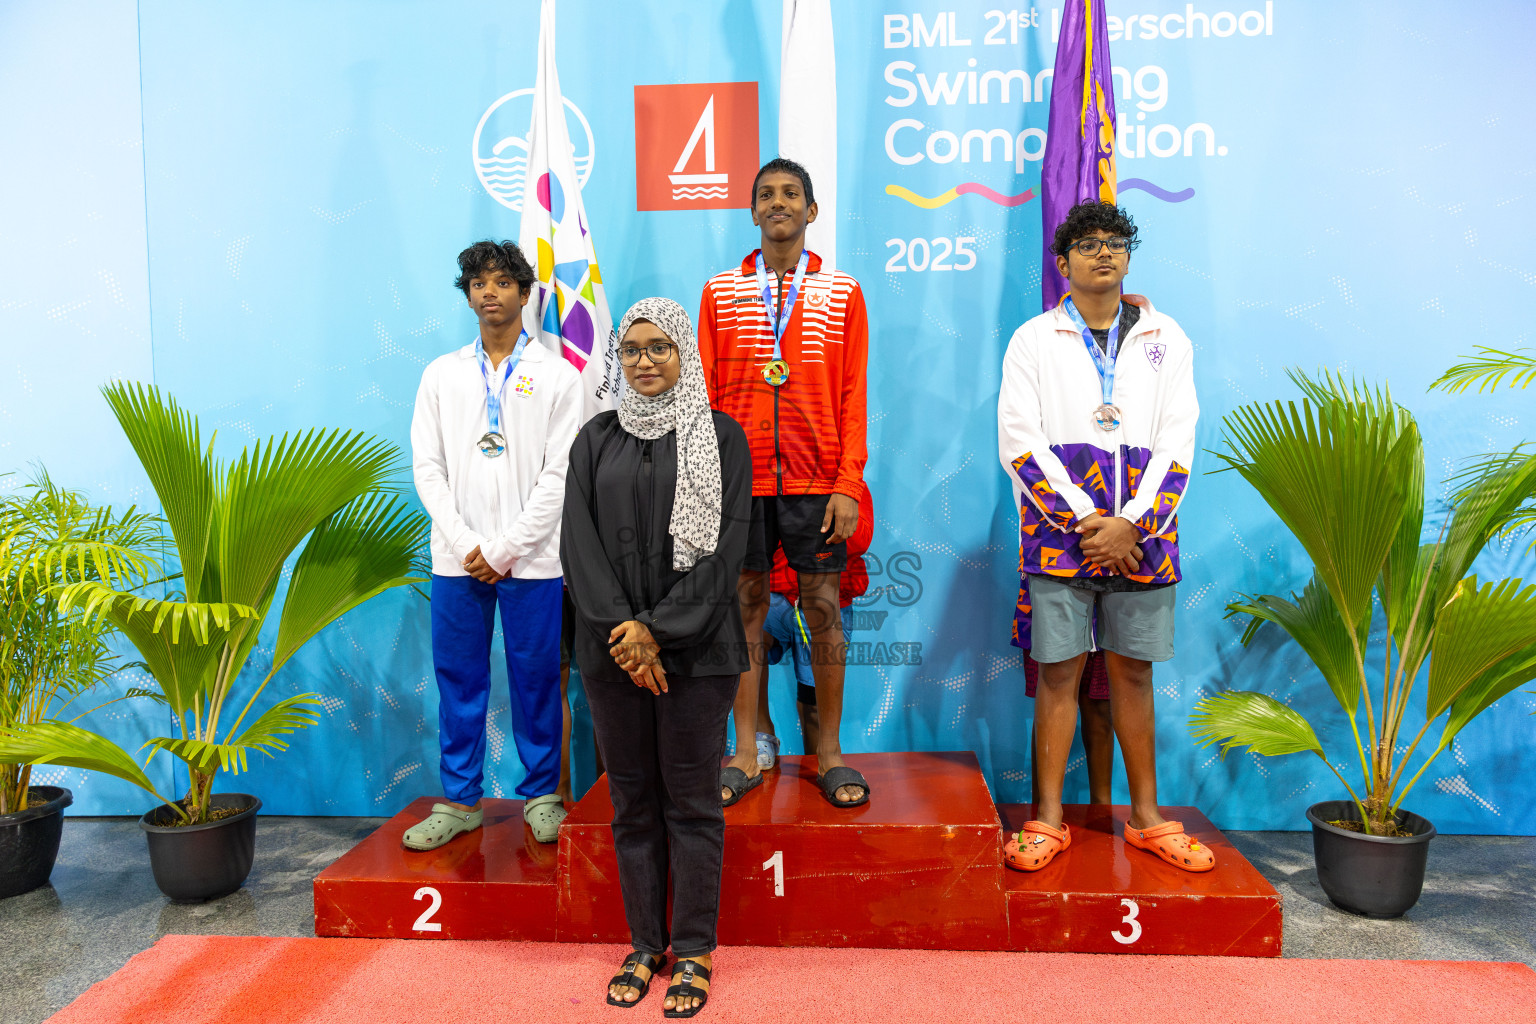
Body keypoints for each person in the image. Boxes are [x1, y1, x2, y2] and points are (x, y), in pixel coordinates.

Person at [997, 201, 1210, 873]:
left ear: (1128, 256)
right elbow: (1019, 442)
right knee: (1059, 675)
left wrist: (1134, 525)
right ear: (1063, 264)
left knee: (1132, 674)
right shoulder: (1034, 339)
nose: (1104, 253)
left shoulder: (1167, 338)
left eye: (1116, 243)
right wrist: (1086, 522)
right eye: (1087, 245)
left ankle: (1146, 818)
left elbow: (1180, 439)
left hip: (1145, 536)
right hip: (1062, 537)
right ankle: (1048, 819)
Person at [563, 297, 751, 1017]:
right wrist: (625, 631)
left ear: (686, 354)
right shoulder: (594, 439)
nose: (645, 360)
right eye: (633, 348)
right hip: (611, 656)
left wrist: (659, 630)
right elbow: (577, 546)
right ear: (618, 358)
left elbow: (724, 550)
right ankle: (647, 943)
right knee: (633, 805)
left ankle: (695, 950)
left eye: (661, 347)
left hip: (698, 656)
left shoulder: (722, 437)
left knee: (694, 804)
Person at [698, 157, 872, 808]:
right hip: (741, 483)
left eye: (791, 193)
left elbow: (853, 396)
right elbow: (704, 398)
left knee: (821, 612)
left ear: (811, 211)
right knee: (741, 612)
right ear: (752, 212)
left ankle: (828, 753)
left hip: (816, 479)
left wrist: (847, 484)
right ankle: (744, 751)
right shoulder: (720, 292)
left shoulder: (841, 293)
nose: (778, 202)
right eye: (766, 193)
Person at [406, 240, 582, 849]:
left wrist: (504, 548)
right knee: (459, 680)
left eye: (503, 281)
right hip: (457, 561)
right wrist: (464, 542)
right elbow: (427, 468)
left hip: (534, 561)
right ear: (467, 293)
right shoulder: (441, 374)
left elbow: (560, 474)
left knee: (536, 679)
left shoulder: (557, 375)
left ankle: (541, 796)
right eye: (478, 282)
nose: (490, 292)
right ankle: (459, 801)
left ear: (524, 292)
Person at [754, 482, 873, 767]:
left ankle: (822, 759)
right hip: (778, 594)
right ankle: (760, 735)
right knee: (745, 639)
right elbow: (761, 543)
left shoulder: (852, 487)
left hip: (830, 599)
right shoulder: (772, 484)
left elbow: (859, 541)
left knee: (814, 703)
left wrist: (826, 517)